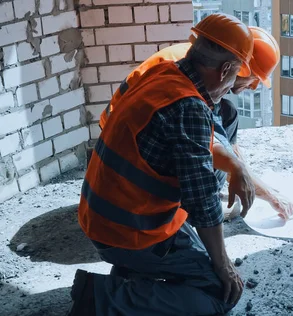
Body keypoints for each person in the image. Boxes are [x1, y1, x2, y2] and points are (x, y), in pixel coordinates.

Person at [69, 13, 254, 315]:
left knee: (198, 248)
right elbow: (203, 202)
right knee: (220, 292)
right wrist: (223, 266)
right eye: (235, 78)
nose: (231, 88)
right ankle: (100, 299)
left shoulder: (163, 74)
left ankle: (132, 274)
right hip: (128, 231)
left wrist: (237, 167)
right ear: (225, 71)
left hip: (100, 216)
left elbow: (196, 156)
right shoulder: (190, 107)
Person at [98, 26, 293, 222]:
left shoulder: (198, 61)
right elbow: (224, 156)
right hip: (132, 150)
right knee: (210, 153)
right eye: (254, 78)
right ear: (237, 65)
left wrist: (259, 186)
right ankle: (187, 207)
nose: (254, 87)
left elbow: (234, 157)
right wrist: (270, 196)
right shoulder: (198, 88)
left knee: (227, 115)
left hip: (119, 132)